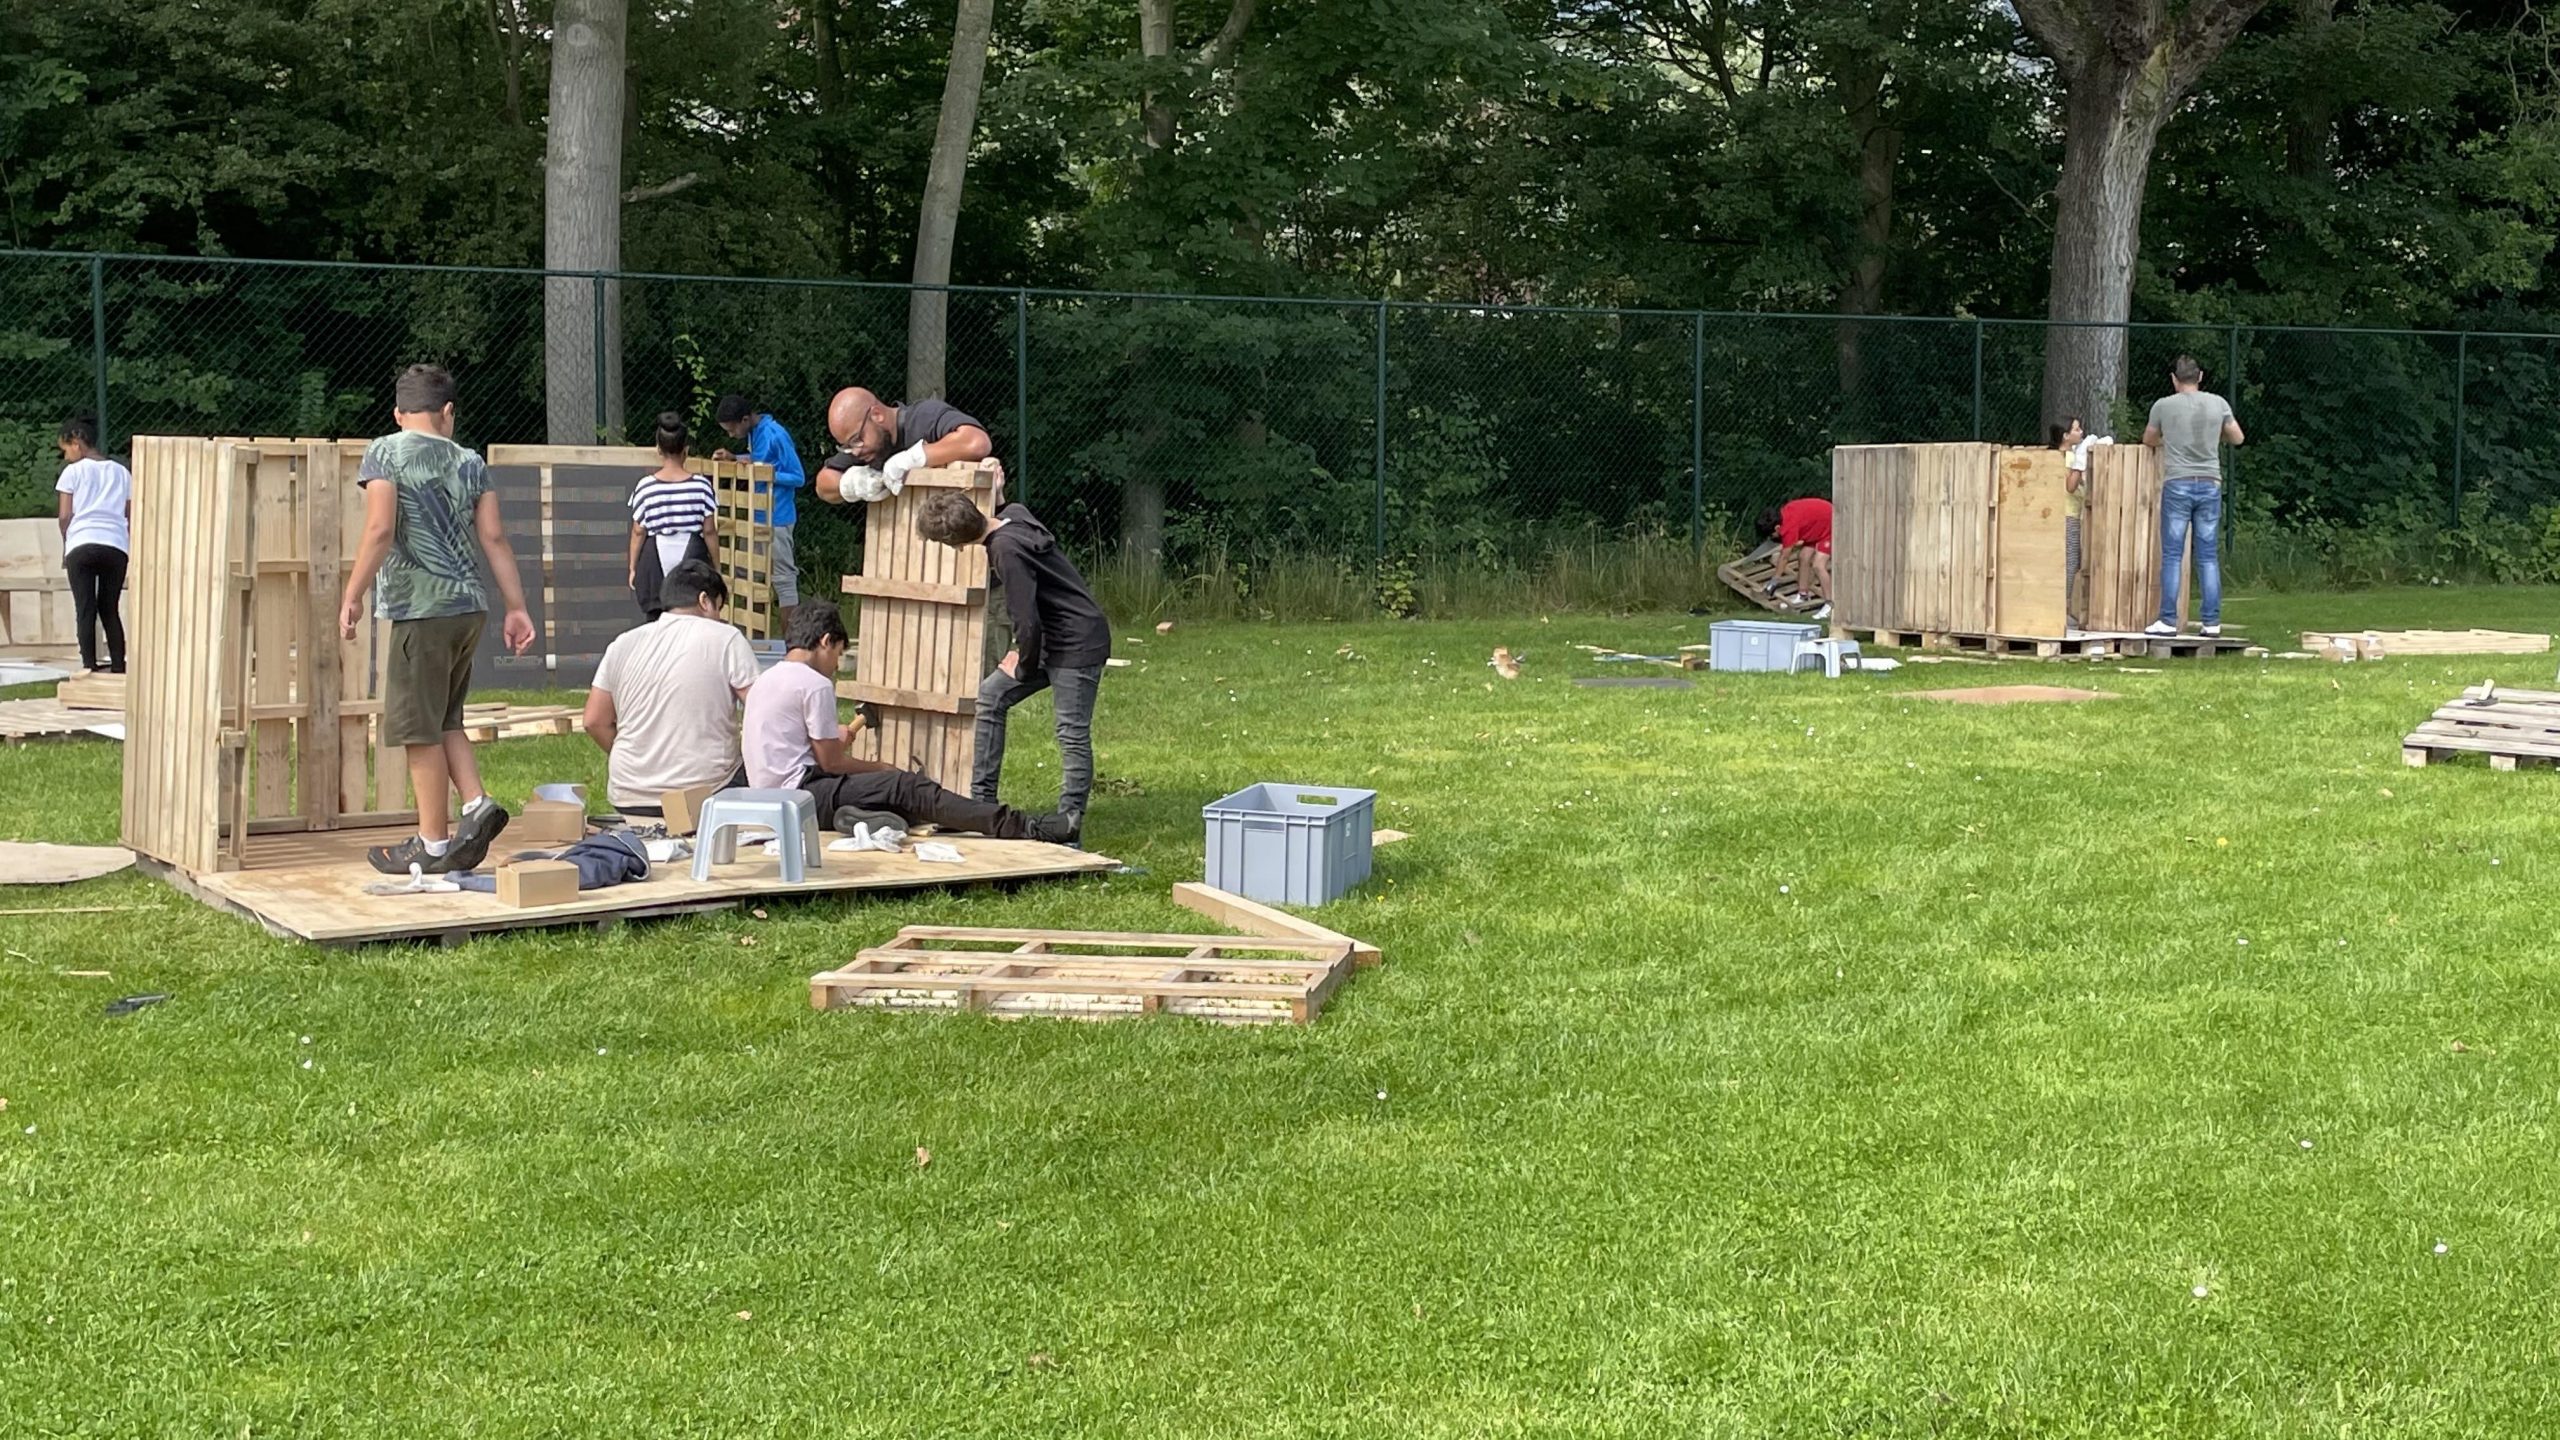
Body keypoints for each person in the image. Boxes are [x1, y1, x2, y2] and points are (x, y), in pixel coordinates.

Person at [337, 364, 536, 875]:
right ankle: (477, 805)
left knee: (418, 729)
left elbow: (381, 528)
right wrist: (516, 606)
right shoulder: (471, 462)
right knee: (447, 718)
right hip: (468, 608)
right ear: (448, 411)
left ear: (398, 413)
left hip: (419, 610)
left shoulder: (385, 450)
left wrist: (353, 593)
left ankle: (429, 843)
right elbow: (494, 537)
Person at [740, 601, 1077, 843]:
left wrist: (838, 741)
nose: (836, 665)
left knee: (901, 795)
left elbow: (801, 749)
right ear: (825, 641)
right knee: (908, 786)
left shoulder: (766, 681)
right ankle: (1027, 826)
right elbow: (831, 762)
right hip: (802, 795)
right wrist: (882, 769)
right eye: (838, 654)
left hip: (773, 796)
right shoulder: (812, 683)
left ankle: (865, 817)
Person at [915, 490, 1109, 832]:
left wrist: (1022, 663)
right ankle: (981, 808)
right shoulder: (1015, 515)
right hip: (1052, 639)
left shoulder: (1005, 551)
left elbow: (1026, 618)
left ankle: (1069, 822)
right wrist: (999, 491)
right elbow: (1005, 507)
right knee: (990, 697)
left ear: (954, 543)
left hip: (1077, 641)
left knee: (1071, 732)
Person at [584, 559, 758, 817]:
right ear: (704, 601)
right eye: (718, 608)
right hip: (705, 794)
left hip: (630, 795)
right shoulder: (725, 637)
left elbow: (594, 721)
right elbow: (762, 707)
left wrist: (640, 757)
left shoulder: (623, 643)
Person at [2142, 355, 2246, 638]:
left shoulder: (2163, 406)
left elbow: (2149, 439)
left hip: (2178, 483)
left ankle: (2167, 620)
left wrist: (2170, 438)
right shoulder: (2219, 403)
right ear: (2199, 376)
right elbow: (2237, 437)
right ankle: (2211, 622)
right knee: (2208, 555)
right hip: (2210, 483)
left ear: (2174, 379)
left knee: (2173, 554)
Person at [811, 388, 993, 503]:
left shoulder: (925, 417)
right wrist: (851, 484)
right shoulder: (864, 448)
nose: (855, 450)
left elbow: (977, 442)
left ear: (877, 415)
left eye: (857, 439)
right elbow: (822, 485)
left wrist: (913, 459)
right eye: (847, 446)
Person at [711, 394, 806, 606]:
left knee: (783, 580)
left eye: (732, 429)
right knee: (744, 572)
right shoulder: (754, 433)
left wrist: (767, 475)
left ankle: (793, 638)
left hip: (777, 518)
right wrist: (735, 458)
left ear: (745, 419)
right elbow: (760, 461)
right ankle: (749, 634)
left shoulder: (776, 435)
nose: (731, 434)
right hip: (756, 515)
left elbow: (798, 477)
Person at [53, 417, 130, 676]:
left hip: (82, 543)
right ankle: (119, 665)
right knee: (109, 607)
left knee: (85, 607)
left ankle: (89, 665)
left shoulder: (73, 473)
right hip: (115, 545)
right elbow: (128, 512)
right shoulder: (121, 472)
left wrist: (67, 544)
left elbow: (65, 516)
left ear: (77, 442)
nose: (66, 456)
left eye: (66, 449)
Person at [628, 411, 719, 621]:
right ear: (686, 449)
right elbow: (709, 530)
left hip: (655, 557)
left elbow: (638, 530)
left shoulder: (645, 487)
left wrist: (633, 567)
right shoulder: (702, 486)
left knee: (655, 620)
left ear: (659, 449)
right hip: (692, 556)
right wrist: (715, 565)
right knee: (693, 615)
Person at [2050, 416, 2113, 631]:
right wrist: (2078, 465)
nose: (2081, 431)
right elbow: (2070, 486)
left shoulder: (2067, 455)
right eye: (2076, 429)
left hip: (2073, 515)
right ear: (2066, 436)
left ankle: (2063, 607)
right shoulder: (2066, 457)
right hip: (2069, 516)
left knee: (2072, 561)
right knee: (2070, 562)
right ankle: (2061, 609)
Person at [1757, 496, 1833, 616]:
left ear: (1777, 528)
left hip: (1830, 525)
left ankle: (1830, 605)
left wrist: (1774, 581)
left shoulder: (1788, 528)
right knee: (1803, 556)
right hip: (1817, 527)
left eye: (1772, 535)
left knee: (1818, 565)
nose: (1773, 538)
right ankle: (1803, 595)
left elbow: (1784, 557)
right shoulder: (1784, 514)